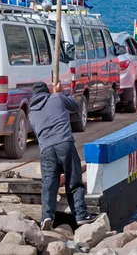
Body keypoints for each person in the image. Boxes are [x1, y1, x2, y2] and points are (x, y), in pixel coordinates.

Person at [29, 81, 99, 230]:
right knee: (74, 180)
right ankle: (80, 215)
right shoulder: (56, 98)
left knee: (49, 185)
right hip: (64, 144)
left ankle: (47, 217)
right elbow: (75, 106)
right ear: (47, 91)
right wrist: (61, 93)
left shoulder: (32, 113)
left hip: (46, 149)